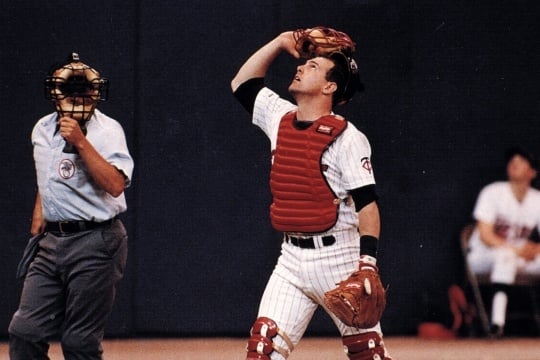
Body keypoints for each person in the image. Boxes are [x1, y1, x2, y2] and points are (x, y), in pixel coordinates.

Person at [231, 29, 392, 359]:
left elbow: (367, 205)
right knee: (262, 350)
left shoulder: (347, 138)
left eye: (314, 67)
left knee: (368, 355)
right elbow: (242, 84)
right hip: (291, 260)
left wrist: (367, 265)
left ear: (329, 87)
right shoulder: (279, 115)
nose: (302, 68)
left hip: (340, 260)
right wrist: (278, 41)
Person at [9, 53, 134, 360]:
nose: (78, 96)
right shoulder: (42, 129)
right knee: (25, 332)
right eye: (70, 89)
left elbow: (116, 185)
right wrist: (40, 211)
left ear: (96, 92)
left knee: (79, 342)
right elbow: (48, 174)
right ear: (56, 92)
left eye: (85, 89)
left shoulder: (108, 130)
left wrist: (80, 141)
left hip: (96, 240)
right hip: (52, 242)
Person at [467, 146, 540, 337]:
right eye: (512, 161)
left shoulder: (537, 199)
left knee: (511, 257)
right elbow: (485, 235)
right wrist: (517, 250)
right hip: (482, 256)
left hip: (517, 258)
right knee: (505, 256)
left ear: (532, 172)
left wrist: (535, 249)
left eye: (521, 161)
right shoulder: (493, 192)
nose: (514, 163)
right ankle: (497, 324)